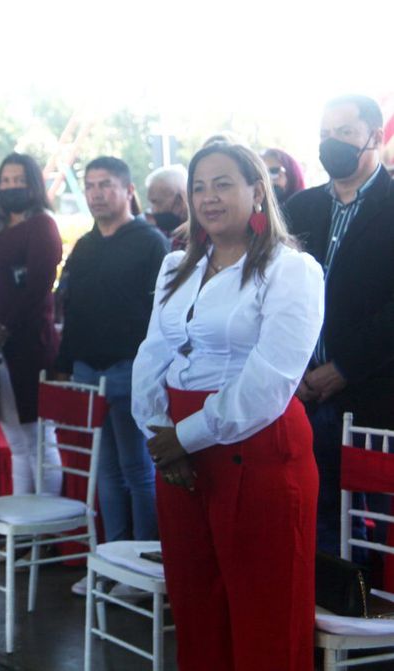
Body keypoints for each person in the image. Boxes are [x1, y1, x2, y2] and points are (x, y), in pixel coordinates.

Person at [132, 140, 323, 670]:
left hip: (257, 450)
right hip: (179, 457)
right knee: (197, 614)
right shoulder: (175, 265)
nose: (208, 198)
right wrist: (160, 437)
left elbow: (270, 382)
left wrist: (182, 437)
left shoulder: (291, 270)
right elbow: (152, 355)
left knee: (267, 620)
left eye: (222, 184)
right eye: (198, 187)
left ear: (257, 191)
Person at [285, 95, 394, 556]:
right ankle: (321, 618)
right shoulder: (298, 207)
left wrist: (343, 367)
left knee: (371, 525)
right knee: (312, 517)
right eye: (326, 134)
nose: (333, 144)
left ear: (376, 135)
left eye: (345, 133)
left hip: (371, 395)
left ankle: (369, 622)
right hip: (298, 392)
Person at [55, 156, 168, 597]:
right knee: (103, 473)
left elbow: (162, 316)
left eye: (106, 184)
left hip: (131, 369)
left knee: (138, 470)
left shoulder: (150, 242)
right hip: (88, 368)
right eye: (91, 185)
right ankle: (111, 562)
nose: (97, 193)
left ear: (127, 190)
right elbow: (72, 310)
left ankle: (144, 570)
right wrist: (67, 361)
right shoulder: (83, 246)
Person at [0, 153, 63, 497]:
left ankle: (46, 533)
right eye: (6, 180)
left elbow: (38, 286)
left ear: (33, 184)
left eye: (18, 180)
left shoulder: (42, 224)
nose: (11, 186)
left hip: (29, 343)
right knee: (17, 441)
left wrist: (4, 328)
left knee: (41, 438)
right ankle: (28, 532)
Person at [145, 164, 190, 249]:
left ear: (179, 200)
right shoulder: (155, 234)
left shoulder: (204, 235)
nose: (153, 210)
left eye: (157, 202)